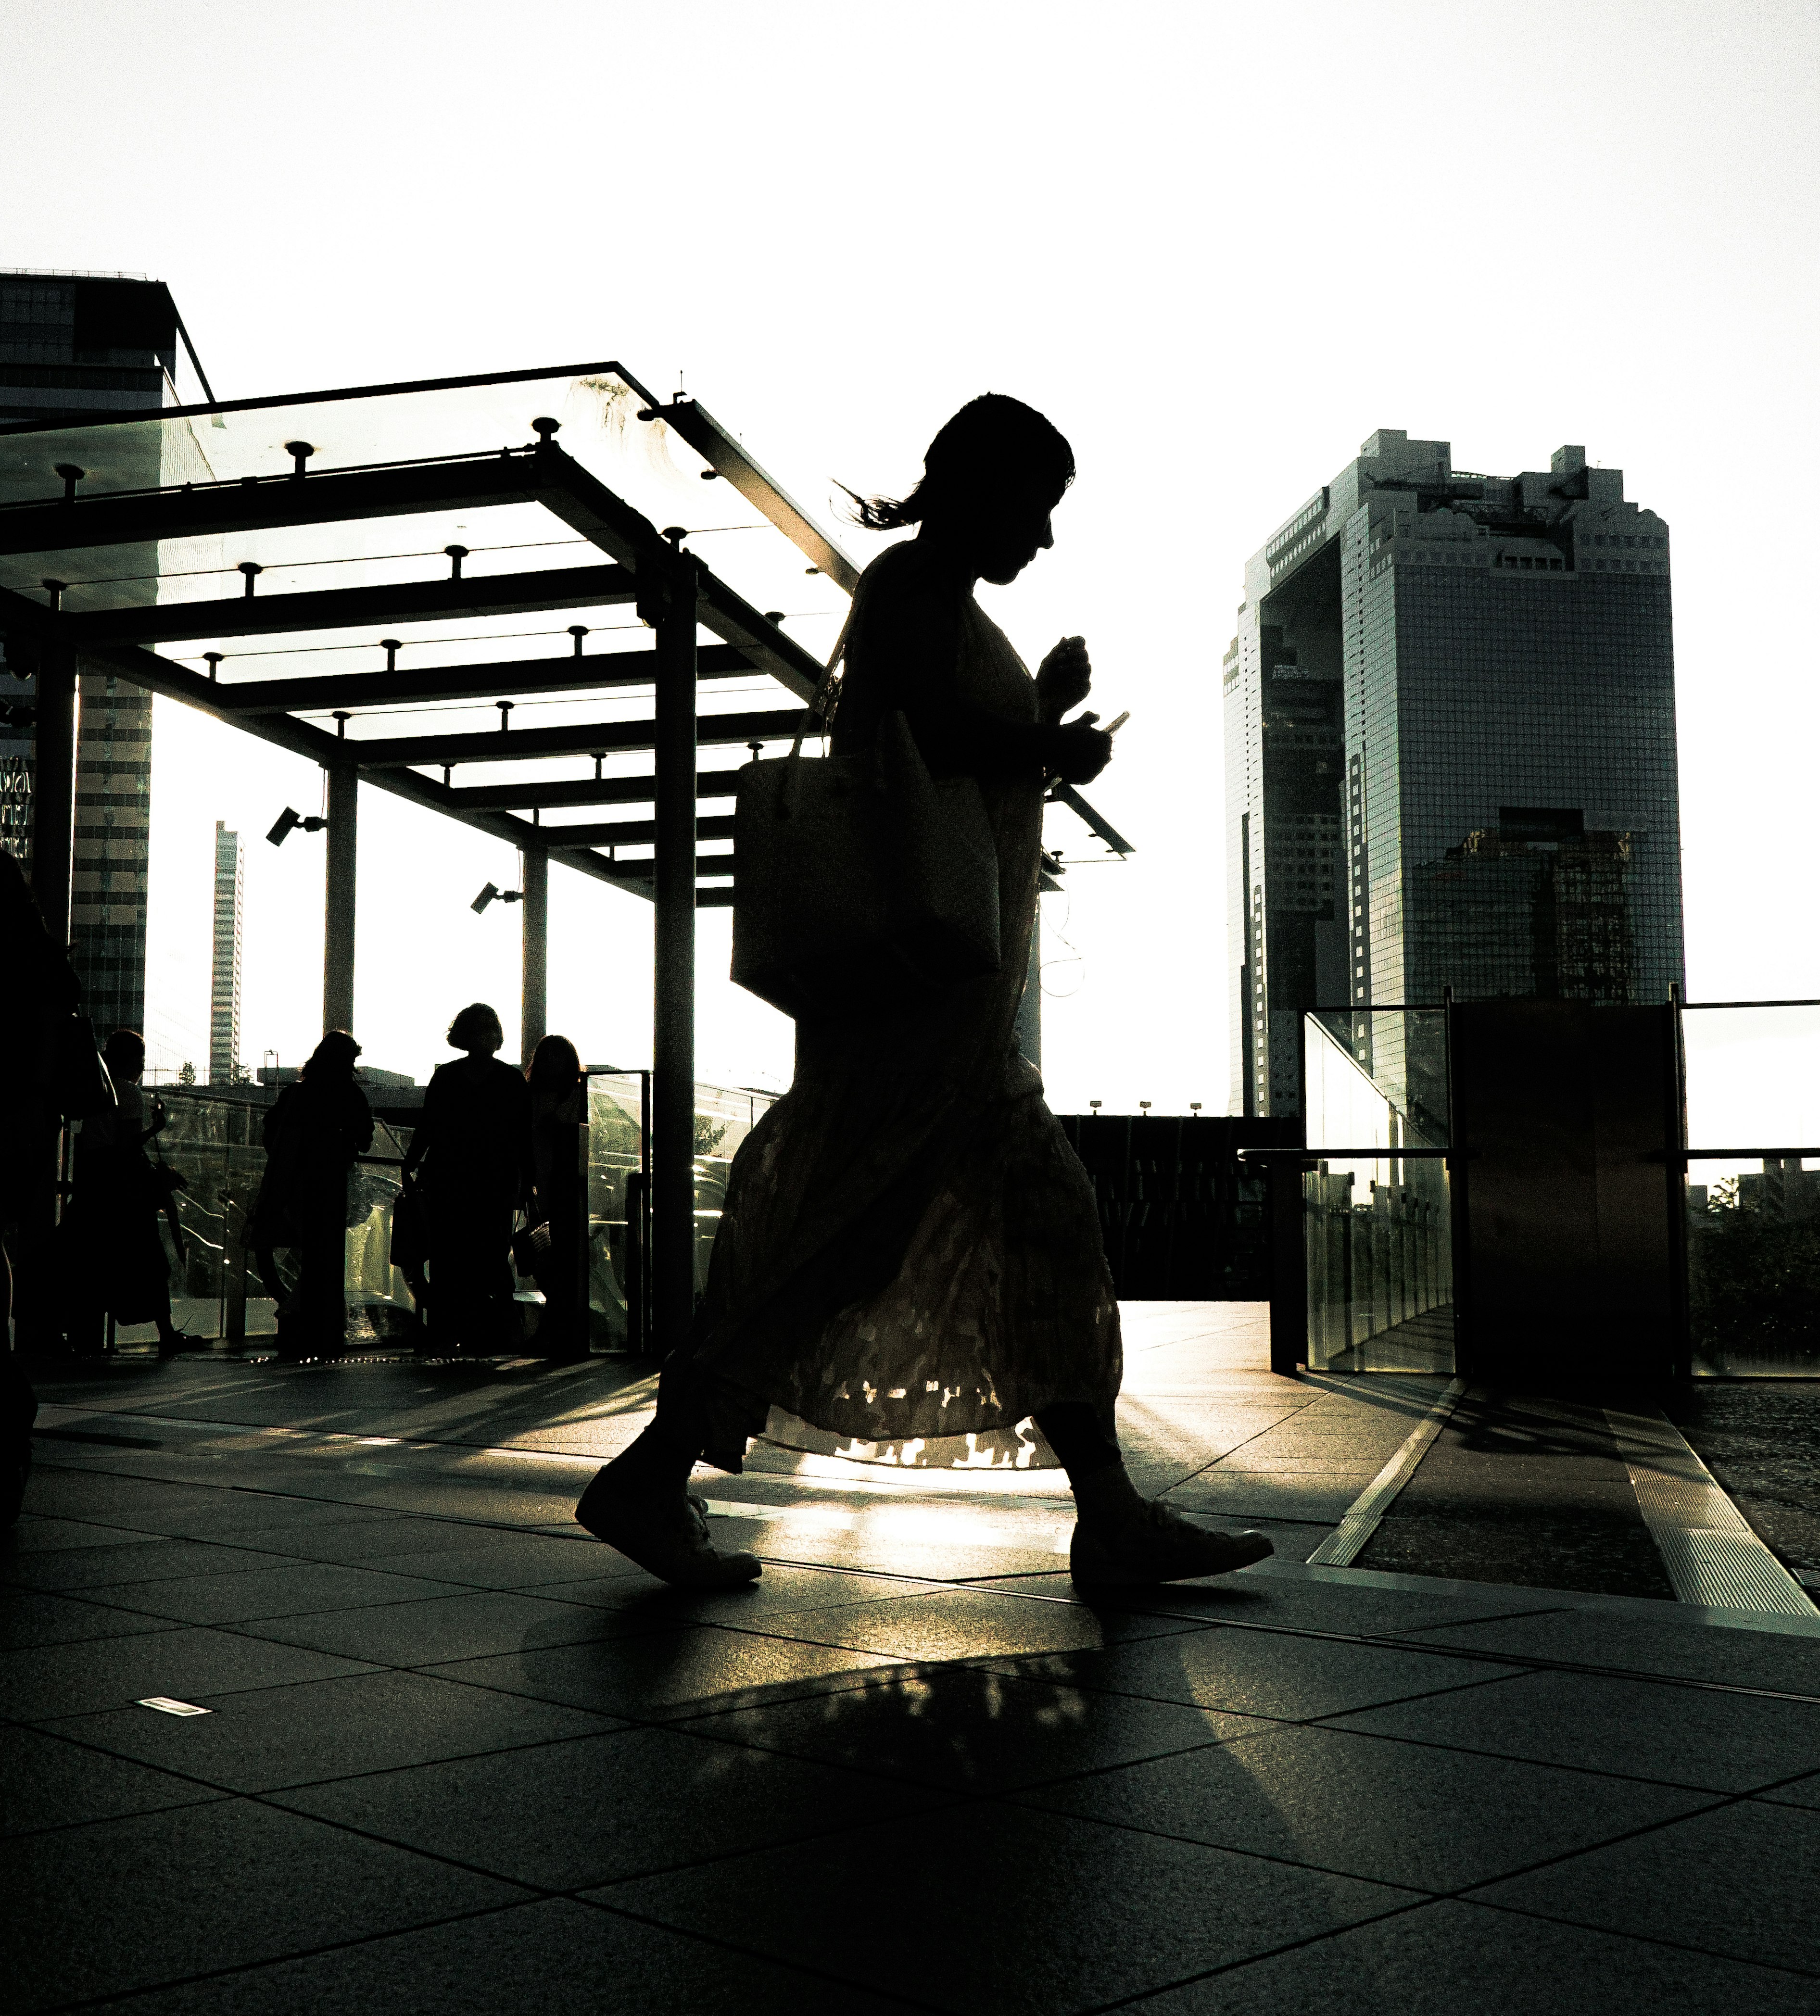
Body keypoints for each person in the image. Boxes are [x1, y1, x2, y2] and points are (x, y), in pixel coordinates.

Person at [576, 392, 1275, 1591]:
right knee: (843, 1239)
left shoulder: (939, 600)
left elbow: (938, 748)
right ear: (980, 485)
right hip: (914, 1014)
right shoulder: (909, 583)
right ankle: (651, 1472)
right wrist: (1047, 745)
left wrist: (1041, 719)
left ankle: (1105, 1511)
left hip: (949, 1017)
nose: (1043, 538)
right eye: (1037, 506)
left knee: (1007, 1226)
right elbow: (905, 744)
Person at [0, 849, 91, 1523]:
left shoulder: (23, 961)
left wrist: (32, 1108)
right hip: (5, 1115)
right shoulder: (35, 959)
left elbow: (43, 1045)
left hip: (4, 1116)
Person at [403, 1004, 533, 1352]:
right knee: (490, 1256)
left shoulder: (447, 1078)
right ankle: (497, 1330)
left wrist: (410, 1164)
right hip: (494, 1182)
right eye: (484, 1030)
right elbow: (523, 1137)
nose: (488, 1036)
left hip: (451, 1179)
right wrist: (527, 1184)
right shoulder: (510, 1080)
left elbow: (428, 1126)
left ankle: (449, 1330)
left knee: (451, 1256)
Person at [65, 1028, 195, 1360]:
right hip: (124, 1189)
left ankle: (84, 1334)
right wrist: (155, 1128)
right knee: (148, 1258)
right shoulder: (129, 1093)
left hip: (94, 1184)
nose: (142, 1064)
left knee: (96, 1259)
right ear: (132, 1059)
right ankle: (166, 1334)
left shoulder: (98, 1088)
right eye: (140, 1057)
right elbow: (127, 1147)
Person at [249, 1033, 373, 1358]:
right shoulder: (350, 1095)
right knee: (325, 1254)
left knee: (311, 1251)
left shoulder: (295, 1094)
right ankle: (308, 1317)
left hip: (294, 1185)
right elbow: (365, 1140)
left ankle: (299, 1315)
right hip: (331, 1184)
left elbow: (271, 1133)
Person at [524, 1032, 585, 1356]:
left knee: (557, 1262)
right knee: (549, 1263)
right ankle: (560, 1331)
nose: (553, 1063)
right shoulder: (541, 1097)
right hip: (545, 1188)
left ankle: (551, 1331)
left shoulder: (572, 1095)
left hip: (561, 1190)